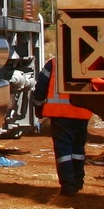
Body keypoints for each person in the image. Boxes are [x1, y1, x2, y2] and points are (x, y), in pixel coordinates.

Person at [32, 56, 93, 196]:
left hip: (60, 114)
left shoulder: (53, 64)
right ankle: (78, 182)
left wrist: (38, 105)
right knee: (78, 150)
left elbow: (40, 87)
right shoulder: (88, 62)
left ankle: (68, 186)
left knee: (64, 151)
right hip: (81, 113)